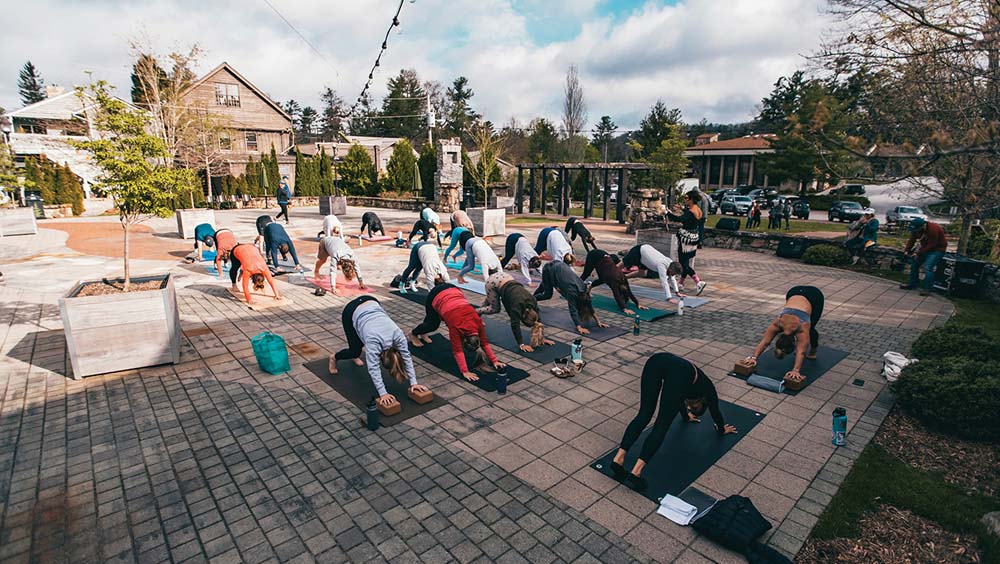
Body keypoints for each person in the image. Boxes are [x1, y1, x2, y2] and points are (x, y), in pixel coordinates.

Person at [611, 353, 737, 491]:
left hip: (657, 360)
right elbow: (715, 411)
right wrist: (721, 429)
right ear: (703, 401)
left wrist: (685, 416)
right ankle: (636, 472)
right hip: (673, 371)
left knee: (644, 414)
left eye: (691, 408)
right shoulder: (709, 390)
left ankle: (618, 459)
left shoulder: (692, 391)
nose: (689, 407)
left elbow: (679, 399)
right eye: (693, 408)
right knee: (660, 425)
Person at [330, 296, 429, 408]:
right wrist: (383, 394)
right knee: (355, 351)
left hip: (372, 302)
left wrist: (414, 383)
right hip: (351, 310)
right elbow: (373, 368)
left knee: (359, 343)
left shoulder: (398, 335)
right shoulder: (374, 343)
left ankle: (355, 350)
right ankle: (334, 358)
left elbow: (407, 357)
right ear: (381, 356)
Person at [409, 282, 505, 382]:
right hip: (436, 294)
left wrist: (495, 361)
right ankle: (413, 334)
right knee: (432, 325)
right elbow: (457, 351)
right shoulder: (456, 327)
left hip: (454, 290)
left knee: (430, 321)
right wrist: (465, 371)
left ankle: (423, 332)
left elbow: (484, 343)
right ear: (464, 340)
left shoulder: (478, 323)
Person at [747, 285, 824, 384]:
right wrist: (753, 358)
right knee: (805, 339)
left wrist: (796, 370)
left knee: (811, 329)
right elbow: (765, 342)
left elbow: (801, 352)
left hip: (814, 295)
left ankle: (813, 352)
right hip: (793, 291)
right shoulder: (777, 323)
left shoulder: (801, 327)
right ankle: (812, 351)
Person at [477, 271, 554, 352]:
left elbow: (538, 321)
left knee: (491, 299)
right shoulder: (516, 307)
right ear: (522, 317)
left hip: (505, 277)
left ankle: (479, 313)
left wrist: (542, 338)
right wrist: (521, 344)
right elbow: (515, 325)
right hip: (493, 282)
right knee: (495, 309)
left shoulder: (533, 301)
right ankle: (476, 312)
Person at [533, 260, 608, 335]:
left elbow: (590, 307)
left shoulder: (584, 290)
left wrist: (599, 321)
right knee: (548, 294)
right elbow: (573, 310)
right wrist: (579, 327)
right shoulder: (573, 293)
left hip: (559, 265)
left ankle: (532, 298)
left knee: (544, 285)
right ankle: (532, 299)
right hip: (549, 269)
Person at [581, 249, 649, 316]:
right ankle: (575, 287)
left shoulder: (623, 278)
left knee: (602, 279)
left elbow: (629, 292)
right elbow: (617, 295)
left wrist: (638, 304)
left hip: (604, 257)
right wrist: (624, 309)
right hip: (594, 255)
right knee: (586, 274)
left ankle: (589, 289)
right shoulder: (614, 282)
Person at [667, 192, 707, 295]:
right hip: (693, 239)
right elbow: (690, 219)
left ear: (691, 199)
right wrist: (682, 209)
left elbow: (679, 219)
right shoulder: (698, 210)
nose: (685, 200)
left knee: (683, 264)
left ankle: (698, 281)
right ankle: (681, 283)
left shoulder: (690, 212)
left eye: (686, 198)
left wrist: (667, 213)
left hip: (686, 241)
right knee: (685, 262)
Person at [900, 217, 947, 296]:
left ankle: (927, 288)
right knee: (914, 264)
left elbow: (932, 244)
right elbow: (912, 240)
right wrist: (907, 250)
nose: (915, 232)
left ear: (922, 226)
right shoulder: (916, 230)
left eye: (916, 230)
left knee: (928, 267)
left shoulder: (933, 229)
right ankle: (913, 284)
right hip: (925, 248)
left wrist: (918, 253)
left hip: (937, 250)